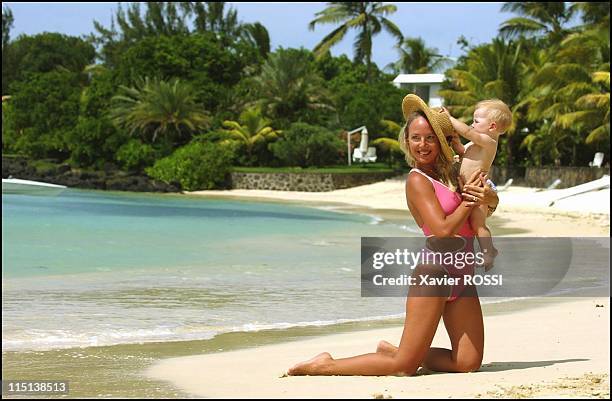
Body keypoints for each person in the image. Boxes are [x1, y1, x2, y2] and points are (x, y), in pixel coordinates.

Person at [287, 94, 499, 377]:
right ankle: (325, 364)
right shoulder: (417, 180)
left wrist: (488, 196)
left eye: (429, 138)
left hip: (463, 275)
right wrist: (468, 201)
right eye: (415, 138)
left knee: (468, 363)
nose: (422, 145)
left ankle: (395, 351)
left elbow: (485, 209)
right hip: (433, 274)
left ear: (441, 140)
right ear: (407, 142)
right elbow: (443, 229)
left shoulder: (454, 172)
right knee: (404, 368)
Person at [441, 99, 512, 270]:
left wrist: (450, 119)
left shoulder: (489, 142)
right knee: (467, 223)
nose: (471, 125)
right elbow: (464, 153)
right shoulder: (476, 143)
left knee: (478, 224)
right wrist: (457, 145)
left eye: (476, 121)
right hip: (468, 188)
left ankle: (489, 252)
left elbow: (467, 131)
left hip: (479, 189)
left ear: (492, 127)